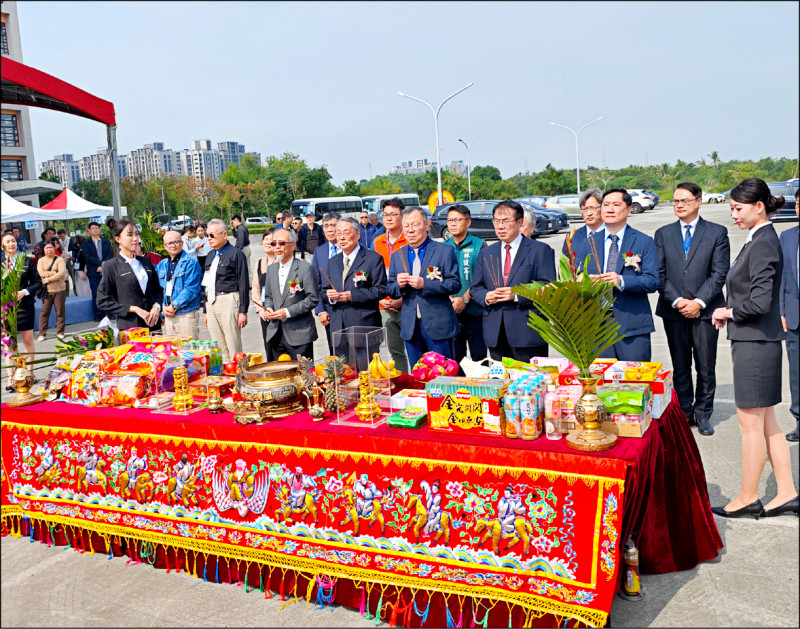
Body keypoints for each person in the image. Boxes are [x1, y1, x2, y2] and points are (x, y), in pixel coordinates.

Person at [711, 177, 798, 519]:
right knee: (768, 425)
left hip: (756, 343)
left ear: (758, 206)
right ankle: (788, 492)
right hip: (758, 341)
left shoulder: (762, 242)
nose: (733, 214)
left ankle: (748, 497)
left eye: (738, 208)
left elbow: (760, 302)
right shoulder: (757, 238)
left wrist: (727, 311)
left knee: (750, 426)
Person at [654, 182, 730, 436]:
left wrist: (698, 302)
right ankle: (685, 413)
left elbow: (719, 274)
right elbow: (660, 274)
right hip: (673, 310)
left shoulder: (717, 232)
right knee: (680, 364)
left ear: (699, 201)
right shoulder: (663, 234)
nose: (679, 205)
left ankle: (704, 413)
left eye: (685, 200)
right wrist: (678, 301)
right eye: (676, 201)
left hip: (706, 311)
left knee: (706, 365)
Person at [577, 188, 659, 361]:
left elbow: (652, 281)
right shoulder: (588, 243)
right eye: (605, 205)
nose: (609, 209)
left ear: (628, 210)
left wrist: (621, 280)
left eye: (616, 204)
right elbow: (577, 278)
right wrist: (585, 282)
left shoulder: (644, 241)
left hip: (632, 326)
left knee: (636, 383)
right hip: (596, 328)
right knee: (600, 384)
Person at [470, 200, 556, 362]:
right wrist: (487, 296)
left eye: (506, 221)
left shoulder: (539, 250)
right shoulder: (486, 253)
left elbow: (549, 287)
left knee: (531, 383)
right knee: (501, 382)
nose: (500, 226)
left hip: (527, 331)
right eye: (496, 221)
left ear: (520, 222)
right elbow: (476, 288)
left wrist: (517, 294)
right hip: (495, 332)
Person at [387, 207, 461, 368]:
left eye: (414, 225)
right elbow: (390, 289)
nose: (410, 230)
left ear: (427, 225)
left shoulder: (444, 251)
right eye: (406, 226)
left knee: (442, 374)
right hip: (410, 326)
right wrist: (398, 285)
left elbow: (454, 284)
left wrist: (425, 284)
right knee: (417, 375)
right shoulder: (397, 255)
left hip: (438, 325)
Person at [254, 227, 319, 361]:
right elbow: (269, 296)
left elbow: (312, 299)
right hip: (276, 333)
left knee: (303, 376)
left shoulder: (305, 268)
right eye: (274, 243)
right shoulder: (271, 269)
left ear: (293, 245)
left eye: (281, 243)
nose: (277, 247)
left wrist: (287, 312)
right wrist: (269, 308)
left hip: (299, 334)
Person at [319, 217, 387, 341]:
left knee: (364, 360)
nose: (342, 237)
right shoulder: (333, 262)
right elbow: (324, 291)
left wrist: (352, 296)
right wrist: (329, 295)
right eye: (338, 234)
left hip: (364, 326)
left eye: (346, 233)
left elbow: (381, 290)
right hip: (338, 327)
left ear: (357, 234)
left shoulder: (373, 258)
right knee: (340, 361)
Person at [96, 220, 163, 332]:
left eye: (136, 234)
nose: (135, 238)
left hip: (153, 325)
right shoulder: (111, 266)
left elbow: (158, 291)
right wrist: (134, 309)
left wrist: (156, 307)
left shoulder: (146, 262)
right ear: (118, 239)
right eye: (130, 235)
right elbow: (102, 301)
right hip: (130, 327)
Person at [444, 205, 487, 364]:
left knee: (479, 359)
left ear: (468, 222)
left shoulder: (479, 245)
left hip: (475, 312)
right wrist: (450, 298)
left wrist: (465, 298)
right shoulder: (442, 247)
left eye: (457, 220)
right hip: (451, 313)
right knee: (455, 361)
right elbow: (437, 277)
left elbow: (483, 277)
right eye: (450, 220)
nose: (453, 224)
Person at [201, 219, 249, 363]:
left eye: (212, 235)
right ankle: (226, 377)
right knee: (218, 345)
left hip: (228, 300)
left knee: (232, 343)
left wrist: (243, 311)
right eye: (207, 235)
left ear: (224, 234)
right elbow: (206, 283)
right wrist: (205, 310)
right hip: (211, 302)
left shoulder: (236, 254)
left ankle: (239, 375)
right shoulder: (210, 255)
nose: (208, 238)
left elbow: (243, 282)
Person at [372, 198, 410, 373]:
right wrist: (382, 301)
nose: (388, 218)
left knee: (415, 349)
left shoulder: (410, 239)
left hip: (408, 303)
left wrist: (401, 300)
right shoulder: (377, 241)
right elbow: (375, 275)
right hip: (385, 305)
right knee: (395, 351)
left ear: (402, 217)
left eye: (393, 214)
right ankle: (403, 384)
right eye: (385, 214)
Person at [2, 229, 40, 392]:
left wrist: (24, 292)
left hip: (25, 307)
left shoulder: (26, 261)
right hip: (5, 309)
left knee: (27, 340)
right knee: (8, 345)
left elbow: (38, 282)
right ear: (2, 245)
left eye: (13, 241)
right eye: (7, 241)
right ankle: (11, 378)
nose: (11, 244)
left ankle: (29, 372)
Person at [156, 230, 203, 338]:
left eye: (176, 242)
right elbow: (159, 290)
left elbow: (191, 289)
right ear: (165, 246)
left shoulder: (191, 262)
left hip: (185, 314)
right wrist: (162, 310)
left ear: (182, 243)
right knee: (173, 352)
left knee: (189, 352)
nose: (173, 245)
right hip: (168, 315)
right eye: (170, 243)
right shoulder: (162, 264)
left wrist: (174, 306)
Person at [780, 189, 799, 442]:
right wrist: (782, 312)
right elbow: (782, 279)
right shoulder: (786, 236)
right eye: (797, 204)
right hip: (793, 317)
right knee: (796, 373)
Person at [311, 213, 342, 354]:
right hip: (329, 311)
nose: (330, 230)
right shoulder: (320, 252)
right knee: (334, 353)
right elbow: (315, 283)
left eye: (333, 225)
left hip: (351, 308)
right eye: (326, 226)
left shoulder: (353, 249)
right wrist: (321, 310)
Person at [81, 221, 114, 321]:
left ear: (99, 230)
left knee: (108, 292)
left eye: (97, 228)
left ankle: (110, 313)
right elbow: (87, 256)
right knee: (96, 293)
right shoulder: (86, 243)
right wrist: (100, 264)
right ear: (89, 231)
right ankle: (98, 314)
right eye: (93, 228)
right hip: (93, 271)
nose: (95, 230)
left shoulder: (106, 241)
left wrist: (104, 264)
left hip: (106, 271)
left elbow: (110, 254)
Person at [36, 238, 68, 342]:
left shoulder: (59, 259)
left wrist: (48, 278)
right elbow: (41, 273)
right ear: (43, 249)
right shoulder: (41, 260)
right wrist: (55, 273)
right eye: (47, 248)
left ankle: (60, 332)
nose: (49, 250)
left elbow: (62, 273)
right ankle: (42, 333)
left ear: (54, 248)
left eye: (51, 247)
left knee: (60, 312)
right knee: (44, 312)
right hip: (47, 291)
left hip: (59, 289)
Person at [562, 189, 604, 255]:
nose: (589, 213)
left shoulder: (613, 234)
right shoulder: (573, 237)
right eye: (585, 209)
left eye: (593, 208)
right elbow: (565, 262)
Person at [56, 229, 75, 293]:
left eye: (62, 236)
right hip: (63, 259)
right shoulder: (58, 241)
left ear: (65, 234)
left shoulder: (70, 240)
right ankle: (66, 292)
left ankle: (76, 291)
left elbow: (75, 249)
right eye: (60, 236)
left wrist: (73, 255)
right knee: (64, 277)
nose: (61, 237)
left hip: (70, 259)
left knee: (73, 275)